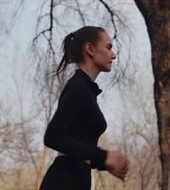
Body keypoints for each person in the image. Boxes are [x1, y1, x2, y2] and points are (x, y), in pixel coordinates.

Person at [39, 26, 130, 190]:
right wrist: (104, 157)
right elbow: (53, 136)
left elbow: (77, 143)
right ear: (90, 49)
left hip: (77, 179)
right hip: (63, 182)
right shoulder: (77, 87)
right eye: (108, 47)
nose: (113, 55)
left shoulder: (85, 89)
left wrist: (104, 162)